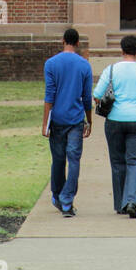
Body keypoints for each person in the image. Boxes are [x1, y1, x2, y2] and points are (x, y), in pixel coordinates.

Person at [93, 34, 136, 219]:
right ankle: (131, 201)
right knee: (135, 162)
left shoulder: (111, 70)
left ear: (122, 51)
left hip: (115, 120)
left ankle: (120, 204)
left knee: (117, 162)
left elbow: (97, 95)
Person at [42, 27, 92, 218]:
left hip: (57, 118)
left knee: (58, 159)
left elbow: (49, 95)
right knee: (74, 159)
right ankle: (67, 199)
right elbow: (87, 97)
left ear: (63, 41)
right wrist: (89, 120)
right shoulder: (84, 65)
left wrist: (44, 122)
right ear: (78, 43)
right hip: (75, 119)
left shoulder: (51, 64)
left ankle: (57, 195)